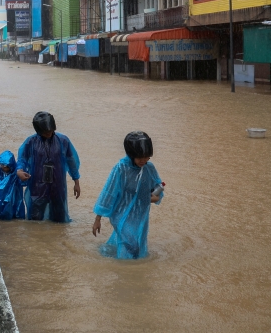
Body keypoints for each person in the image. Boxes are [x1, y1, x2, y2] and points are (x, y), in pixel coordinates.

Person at [91, 131, 163, 259]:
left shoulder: (149, 168)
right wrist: (98, 219)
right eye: (140, 157)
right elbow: (108, 194)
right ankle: (125, 271)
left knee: (138, 244)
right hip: (120, 214)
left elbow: (157, 190)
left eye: (147, 157)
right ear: (131, 155)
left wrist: (154, 197)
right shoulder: (120, 169)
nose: (144, 160)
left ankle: (127, 268)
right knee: (131, 244)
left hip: (139, 216)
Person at [16, 111, 81, 222]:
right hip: (37, 185)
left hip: (58, 185)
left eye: (51, 131)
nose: (49, 133)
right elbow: (22, 158)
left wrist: (76, 183)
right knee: (35, 219)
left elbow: (72, 162)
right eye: (45, 132)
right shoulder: (31, 142)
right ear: (38, 130)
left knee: (59, 219)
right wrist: (19, 171)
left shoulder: (63, 141)